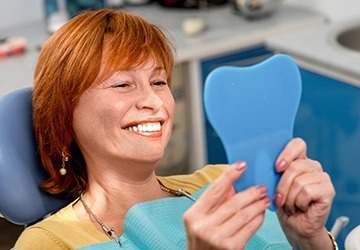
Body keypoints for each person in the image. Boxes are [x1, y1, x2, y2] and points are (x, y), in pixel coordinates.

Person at [15, 9, 336, 250]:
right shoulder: (48, 243)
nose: (153, 100)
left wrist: (310, 239)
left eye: (159, 81)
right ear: (65, 114)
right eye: (123, 84)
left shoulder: (223, 182)